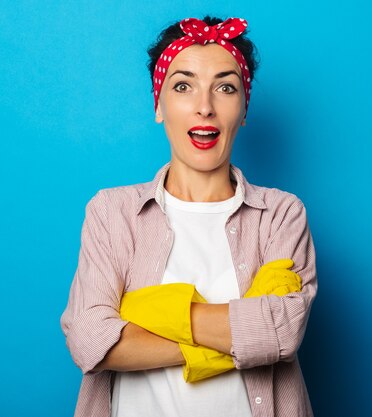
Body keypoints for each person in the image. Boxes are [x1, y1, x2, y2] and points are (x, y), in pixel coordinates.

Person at [60, 16, 318, 417]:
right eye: (183, 86)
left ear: (244, 108)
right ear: (158, 105)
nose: (204, 107)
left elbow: (281, 332)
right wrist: (240, 334)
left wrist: (142, 314)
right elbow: (90, 341)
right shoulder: (112, 212)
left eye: (225, 87)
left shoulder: (281, 214)